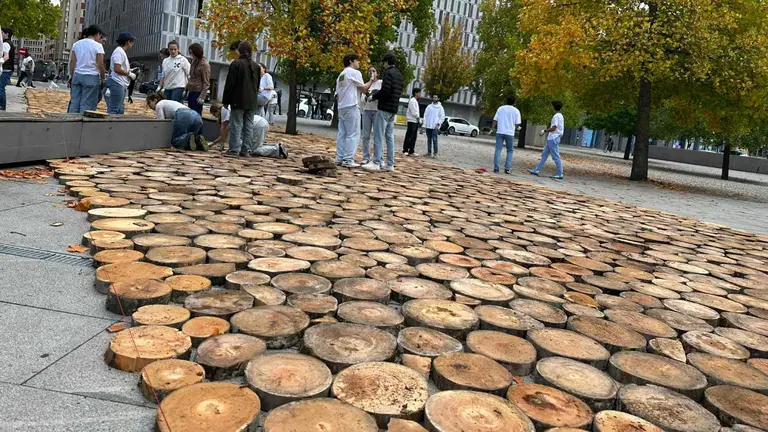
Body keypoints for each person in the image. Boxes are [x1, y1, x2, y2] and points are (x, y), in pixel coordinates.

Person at [363, 52, 403, 172]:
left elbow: (385, 91)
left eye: (384, 62)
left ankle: (376, 162)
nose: (383, 65)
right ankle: (390, 163)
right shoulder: (399, 75)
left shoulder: (388, 73)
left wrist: (373, 97)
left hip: (384, 107)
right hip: (393, 108)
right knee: (389, 137)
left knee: (378, 136)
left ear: (386, 62)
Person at [334, 53, 376, 168]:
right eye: (357, 61)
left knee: (342, 133)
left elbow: (337, 94)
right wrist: (371, 80)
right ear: (352, 61)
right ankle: (348, 159)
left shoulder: (341, 75)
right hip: (352, 105)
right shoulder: (354, 73)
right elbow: (363, 88)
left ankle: (339, 157)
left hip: (342, 106)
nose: (359, 63)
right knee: (353, 134)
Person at [222, 40, 260, 157]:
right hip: (252, 101)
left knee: (236, 125)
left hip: (238, 100)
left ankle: (234, 150)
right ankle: (245, 150)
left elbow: (230, 84)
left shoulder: (236, 64)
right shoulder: (256, 66)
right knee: (248, 126)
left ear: (240, 50)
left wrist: (226, 100)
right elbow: (257, 85)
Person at [67, 25, 106, 113]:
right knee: (87, 104)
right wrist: (103, 78)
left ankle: (71, 122)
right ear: (97, 34)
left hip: (77, 75)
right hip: (91, 76)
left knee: (75, 102)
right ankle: (83, 124)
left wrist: (71, 75)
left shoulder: (76, 44)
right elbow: (100, 64)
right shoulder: (98, 46)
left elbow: (73, 62)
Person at [529, 100, 565, 179]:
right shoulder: (560, 115)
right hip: (552, 138)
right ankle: (536, 170)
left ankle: (560, 173)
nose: (551, 107)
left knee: (556, 156)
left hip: (553, 138)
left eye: (552, 105)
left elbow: (554, 128)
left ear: (554, 106)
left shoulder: (556, 116)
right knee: (544, 155)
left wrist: (544, 131)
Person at [106, 32, 136, 115]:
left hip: (120, 83)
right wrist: (129, 74)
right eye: (132, 41)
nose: (132, 43)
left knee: (120, 109)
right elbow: (117, 69)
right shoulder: (119, 52)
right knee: (114, 109)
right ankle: (109, 127)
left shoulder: (121, 52)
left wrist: (130, 70)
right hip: (117, 82)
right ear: (127, 42)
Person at [492, 95, 522, 174]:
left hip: (500, 131)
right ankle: (507, 168)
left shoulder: (500, 108)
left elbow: (495, 120)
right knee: (510, 151)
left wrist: (492, 128)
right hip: (510, 133)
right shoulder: (516, 111)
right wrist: (518, 127)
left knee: (498, 149)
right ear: (514, 102)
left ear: (506, 101)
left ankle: (496, 168)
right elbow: (517, 123)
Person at [358, 66, 381, 165]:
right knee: (365, 135)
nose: (371, 72)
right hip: (367, 110)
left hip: (376, 110)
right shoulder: (367, 84)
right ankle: (365, 156)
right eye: (370, 71)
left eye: (373, 71)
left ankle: (377, 157)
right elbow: (362, 99)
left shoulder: (381, 83)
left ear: (377, 73)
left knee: (377, 135)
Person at [185, 43, 210, 115]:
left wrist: (202, 96)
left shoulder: (205, 65)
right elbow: (191, 77)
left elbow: (206, 82)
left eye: (192, 53)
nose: (191, 55)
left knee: (196, 114)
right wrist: (186, 90)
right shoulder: (193, 62)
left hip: (198, 91)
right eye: (190, 53)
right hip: (191, 90)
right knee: (190, 113)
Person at [402, 87, 421, 156]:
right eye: (419, 93)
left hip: (415, 121)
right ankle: (405, 150)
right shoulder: (412, 101)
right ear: (415, 93)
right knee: (409, 136)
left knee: (414, 137)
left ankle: (411, 151)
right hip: (411, 120)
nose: (420, 94)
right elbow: (414, 112)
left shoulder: (415, 101)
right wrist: (418, 118)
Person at [0, 27, 14, 111]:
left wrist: (0, 61)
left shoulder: (6, 44)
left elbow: (6, 57)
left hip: (6, 69)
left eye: (2, 33)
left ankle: (2, 106)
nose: (0, 34)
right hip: (7, 69)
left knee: (0, 87)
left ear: (7, 34)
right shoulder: (7, 43)